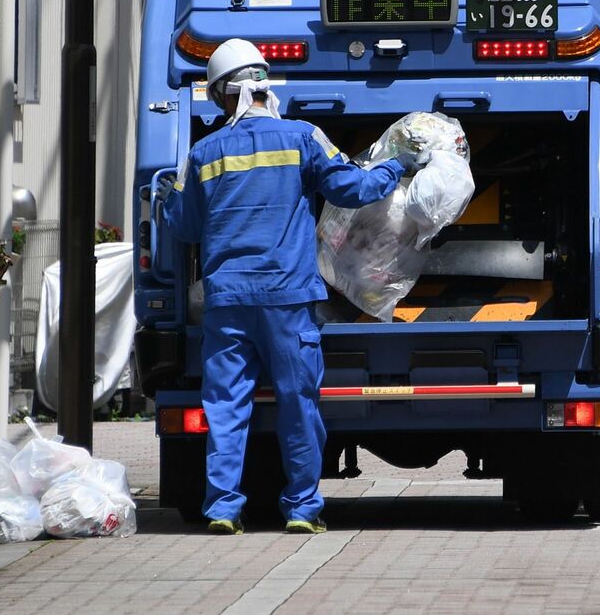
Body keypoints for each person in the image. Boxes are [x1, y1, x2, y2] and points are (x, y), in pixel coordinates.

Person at [158, 39, 425, 535]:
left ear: (221, 95)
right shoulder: (304, 137)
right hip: (287, 299)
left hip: (229, 302)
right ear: (263, 85)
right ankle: (302, 510)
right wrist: (397, 165)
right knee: (298, 403)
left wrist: (163, 197)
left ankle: (221, 509)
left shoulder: (203, 152)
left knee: (226, 407)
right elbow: (355, 189)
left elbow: (186, 226)